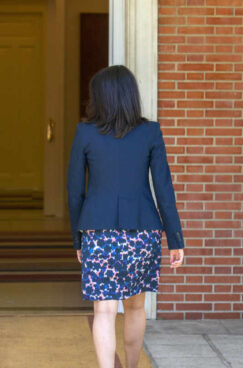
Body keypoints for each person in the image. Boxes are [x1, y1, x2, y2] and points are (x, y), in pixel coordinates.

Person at [67, 65, 185, 368]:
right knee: (135, 308)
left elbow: (74, 191)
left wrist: (77, 238)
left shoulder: (85, 133)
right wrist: (175, 240)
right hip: (143, 233)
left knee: (104, 312)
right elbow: (164, 189)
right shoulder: (150, 132)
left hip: (99, 232)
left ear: (101, 98)